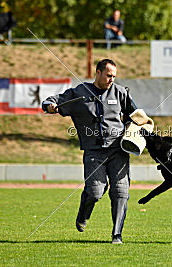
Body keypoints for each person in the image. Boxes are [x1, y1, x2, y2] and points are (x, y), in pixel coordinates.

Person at [42, 59, 138, 244]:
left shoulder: (120, 93)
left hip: (118, 150)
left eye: (114, 76)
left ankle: (116, 235)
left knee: (120, 191)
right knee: (95, 192)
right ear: (98, 72)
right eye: (109, 75)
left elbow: (135, 114)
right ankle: (83, 214)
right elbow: (53, 101)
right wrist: (49, 106)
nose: (112, 79)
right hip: (94, 152)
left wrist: (133, 129)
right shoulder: (79, 93)